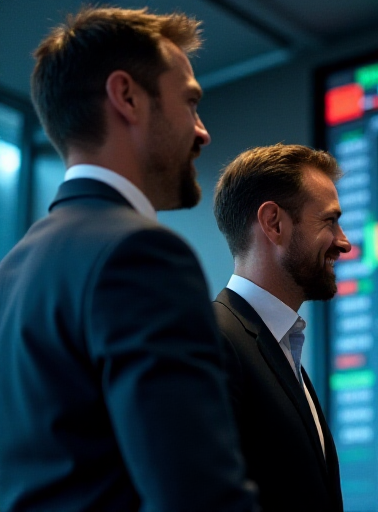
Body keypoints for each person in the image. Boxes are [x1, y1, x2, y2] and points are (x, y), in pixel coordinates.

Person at [0, 7, 257, 511]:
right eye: (190, 102)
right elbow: (199, 497)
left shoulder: (12, 271)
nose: (202, 132)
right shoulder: (140, 255)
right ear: (127, 96)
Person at [212, 144, 350, 512]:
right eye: (329, 221)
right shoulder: (215, 340)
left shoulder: (281, 347)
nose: (345, 242)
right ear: (273, 223)